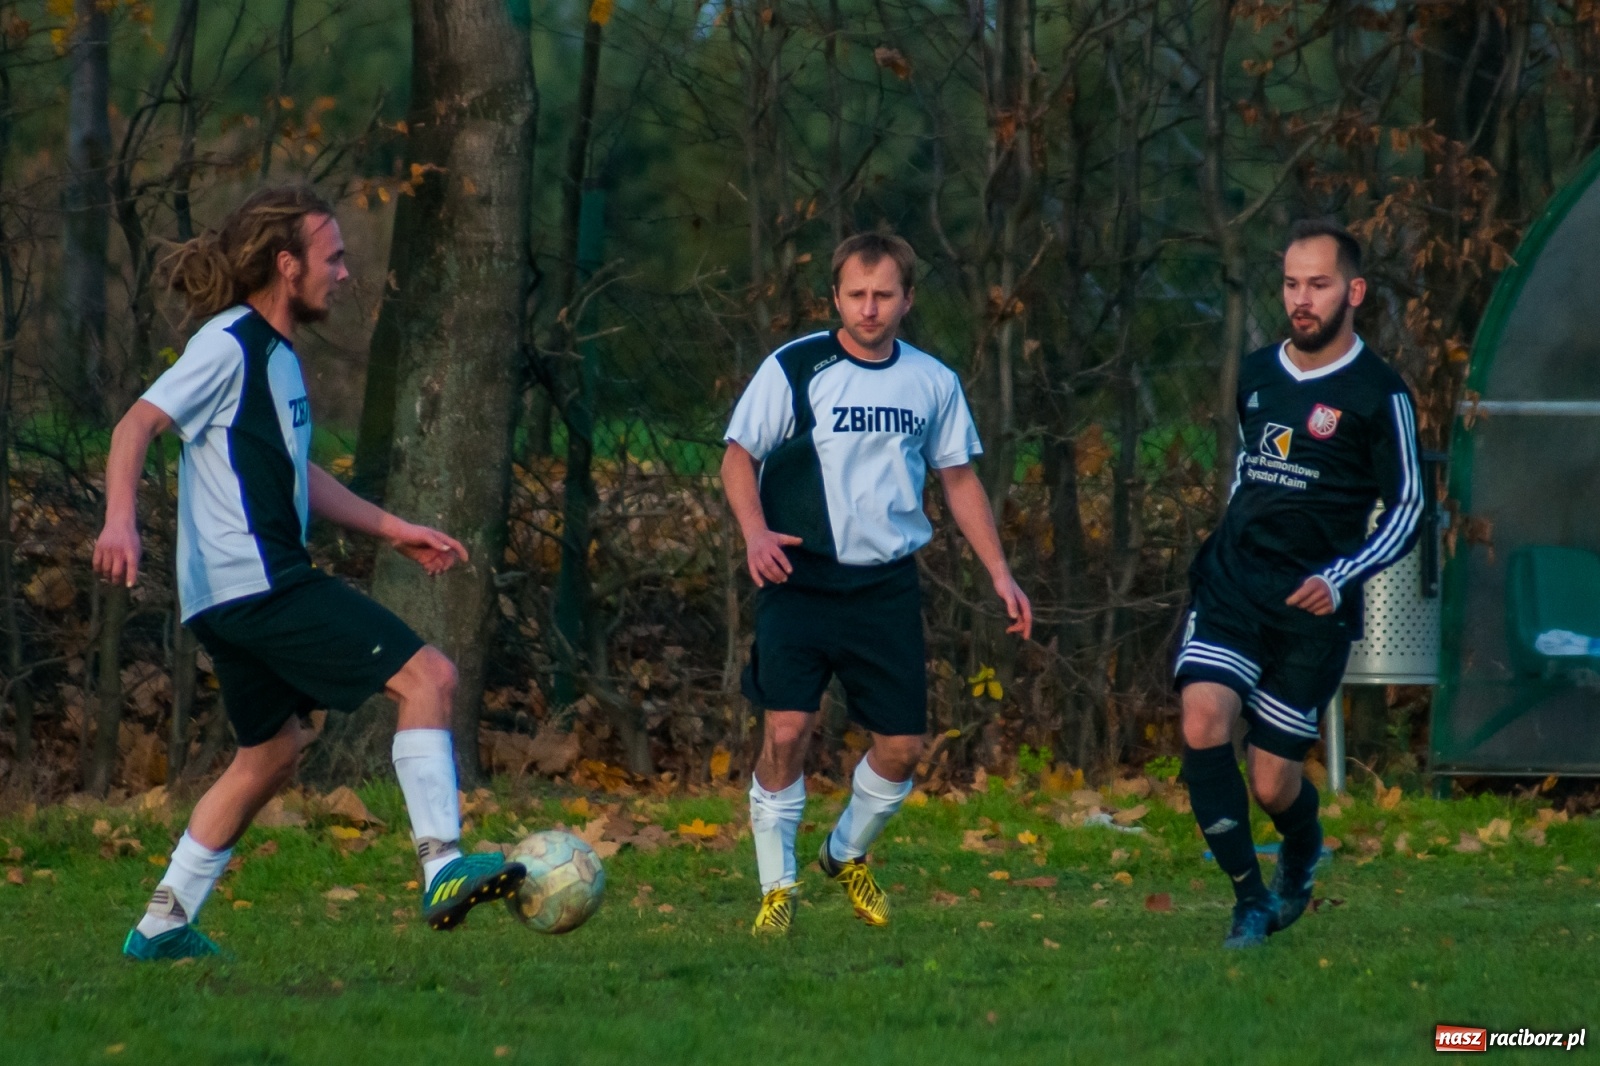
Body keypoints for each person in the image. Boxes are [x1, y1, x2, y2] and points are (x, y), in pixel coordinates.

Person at [95, 185, 526, 961]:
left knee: (270, 754)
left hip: (225, 597)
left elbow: (298, 475)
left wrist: (394, 529)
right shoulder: (230, 342)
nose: (345, 272)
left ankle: (161, 925)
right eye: (333, 257)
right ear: (287, 264)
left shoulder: (279, 359)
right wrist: (119, 519)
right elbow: (136, 424)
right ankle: (442, 867)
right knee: (429, 677)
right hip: (261, 583)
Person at [722, 232, 1033, 935]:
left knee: (901, 749)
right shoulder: (795, 367)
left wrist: (1000, 573)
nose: (869, 309)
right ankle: (777, 889)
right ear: (835, 297)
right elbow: (738, 457)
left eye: (883, 295)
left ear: (907, 299)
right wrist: (755, 533)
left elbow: (958, 479)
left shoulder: (932, 381)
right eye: (857, 295)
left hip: (885, 587)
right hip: (798, 578)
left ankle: (844, 854)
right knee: (786, 731)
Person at [1175, 219, 1422, 948]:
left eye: (1318, 284)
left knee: (1272, 783)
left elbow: (1410, 508)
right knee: (1202, 720)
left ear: (1355, 291)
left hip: (1312, 607)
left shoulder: (1380, 394)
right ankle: (1249, 900)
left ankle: (1303, 848)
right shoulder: (1257, 373)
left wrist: (1340, 576)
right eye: (1290, 284)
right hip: (1234, 584)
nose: (1301, 300)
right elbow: (1246, 470)